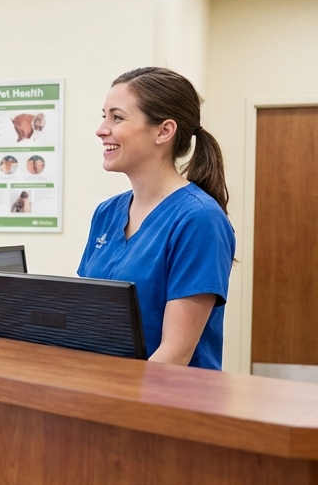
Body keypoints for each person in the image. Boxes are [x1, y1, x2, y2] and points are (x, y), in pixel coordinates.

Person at [78, 67, 235, 369]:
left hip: (165, 394)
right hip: (105, 385)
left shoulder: (199, 220)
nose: (101, 129)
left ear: (164, 131)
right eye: (104, 116)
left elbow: (174, 356)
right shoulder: (106, 213)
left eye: (117, 117)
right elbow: (88, 321)